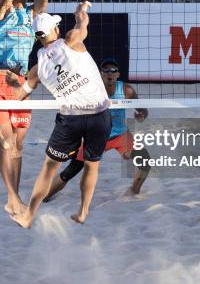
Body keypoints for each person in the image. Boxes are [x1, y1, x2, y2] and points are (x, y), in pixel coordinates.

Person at [0, 0, 78, 216]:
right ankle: (12, 196)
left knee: (19, 144)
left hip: (20, 84)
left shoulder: (30, 16)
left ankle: (17, 191)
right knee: (5, 142)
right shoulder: (1, 13)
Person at [9, 1, 112, 228]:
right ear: (55, 30)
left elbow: (21, 94)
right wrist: (82, 9)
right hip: (98, 114)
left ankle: (28, 215)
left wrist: (3, 96)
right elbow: (82, 22)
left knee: (49, 167)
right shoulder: (71, 40)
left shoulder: (37, 68)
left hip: (70, 120)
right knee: (91, 165)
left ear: (38, 37)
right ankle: (83, 212)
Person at [44, 58, 150, 202]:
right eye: (106, 70)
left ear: (118, 74)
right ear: (100, 74)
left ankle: (133, 191)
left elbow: (143, 110)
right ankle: (44, 197)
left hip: (120, 135)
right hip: (95, 137)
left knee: (146, 163)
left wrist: (141, 115)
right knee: (70, 171)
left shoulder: (126, 90)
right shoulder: (91, 89)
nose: (109, 73)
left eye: (113, 70)